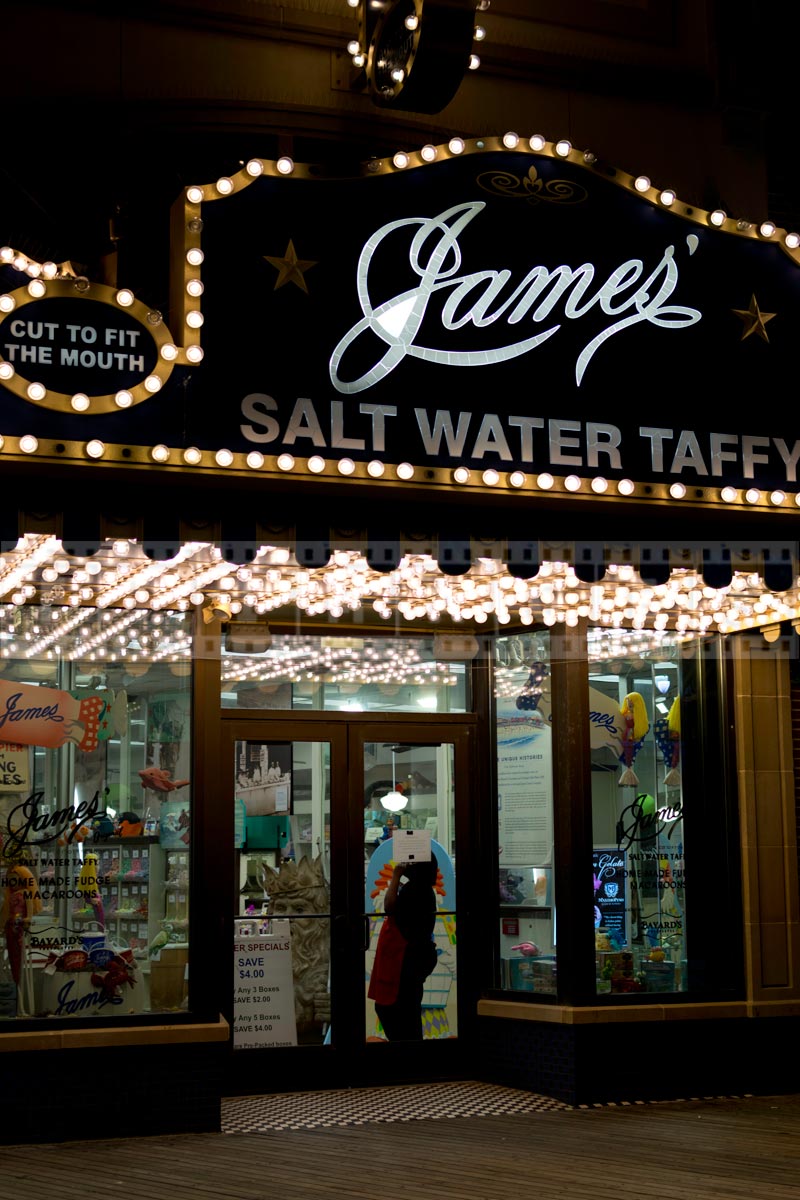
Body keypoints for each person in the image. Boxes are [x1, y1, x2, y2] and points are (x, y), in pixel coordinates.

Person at [368, 853, 439, 1041]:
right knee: (409, 1013)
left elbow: (389, 907)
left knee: (393, 1011)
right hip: (417, 959)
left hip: (405, 961)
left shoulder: (414, 889)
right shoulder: (424, 890)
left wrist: (396, 876)